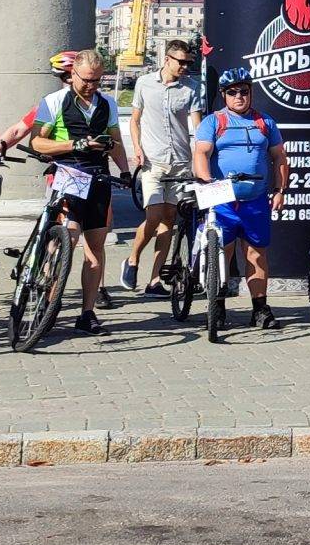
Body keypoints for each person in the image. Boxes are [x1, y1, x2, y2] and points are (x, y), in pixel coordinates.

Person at [27, 51, 132, 335]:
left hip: (98, 178)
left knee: (95, 250)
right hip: (69, 175)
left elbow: (117, 142)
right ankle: (47, 304)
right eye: (86, 80)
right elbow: (37, 142)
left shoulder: (107, 103)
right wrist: (75, 145)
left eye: (97, 81)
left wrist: (124, 172)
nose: (91, 86)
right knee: (67, 240)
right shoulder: (54, 102)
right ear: (72, 74)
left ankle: (87, 313)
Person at [193, 67, 290, 331]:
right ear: (224, 95)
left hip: (255, 200)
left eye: (244, 92)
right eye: (233, 92)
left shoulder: (264, 122)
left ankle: (260, 309)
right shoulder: (213, 122)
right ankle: (218, 309)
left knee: (256, 256)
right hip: (223, 199)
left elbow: (279, 158)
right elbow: (201, 153)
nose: (239, 97)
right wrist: (205, 179)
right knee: (221, 255)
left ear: (251, 93)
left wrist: (280, 190)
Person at [121, 38, 204, 299]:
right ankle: (132, 259)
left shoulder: (192, 88)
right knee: (153, 215)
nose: (186, 67)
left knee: (169, 220)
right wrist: (136, 148)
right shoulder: (145, 83)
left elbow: (198, 128)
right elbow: (135, 120)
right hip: (152, 162)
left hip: (179, 163)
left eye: (189, 63)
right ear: (167, 59)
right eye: (181, 62)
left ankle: (155, 279)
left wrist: (199, 158)